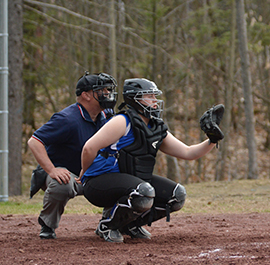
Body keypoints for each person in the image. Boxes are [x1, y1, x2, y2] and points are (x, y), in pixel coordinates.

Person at [79, 78, 224, 243]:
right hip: (98, 183)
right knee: (143, 191)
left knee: (177, 195)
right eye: (149, 96)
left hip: (130, 183)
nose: (155, 101)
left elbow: (188, 152)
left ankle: (129, 225)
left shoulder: (154, 126)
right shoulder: (122, 121)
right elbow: (88, 148)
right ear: (135, 99)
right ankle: (107, 226)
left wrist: (212, 139)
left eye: (155, 96)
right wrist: (85, 170)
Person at [28, 72, 117, 239]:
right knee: (61, 182)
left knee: (122, 177)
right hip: (69, 174)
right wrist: (52, 170)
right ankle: (48, 225)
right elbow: (34, 141)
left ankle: (109, 224)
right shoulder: (67, 119)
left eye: (108, 90)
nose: (107, 94)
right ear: (86, 95)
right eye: (101, 90)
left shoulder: (107, 116)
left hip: (92, 174)